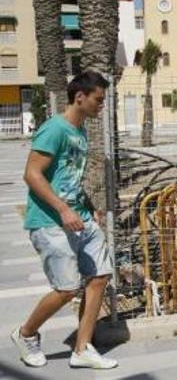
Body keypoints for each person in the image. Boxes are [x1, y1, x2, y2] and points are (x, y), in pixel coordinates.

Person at [11, 71, 118, 370]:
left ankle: (82, 349)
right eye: (98, 100)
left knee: (99, 277)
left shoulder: (80, 132)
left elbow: (68, 177)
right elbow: (31, 174)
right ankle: (25, 333)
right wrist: (63, 209)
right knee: (68, 288)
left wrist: (88, 205)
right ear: (79, 97)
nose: (101, 105)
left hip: (79, 217)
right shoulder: (54, 129)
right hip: (49, 220)